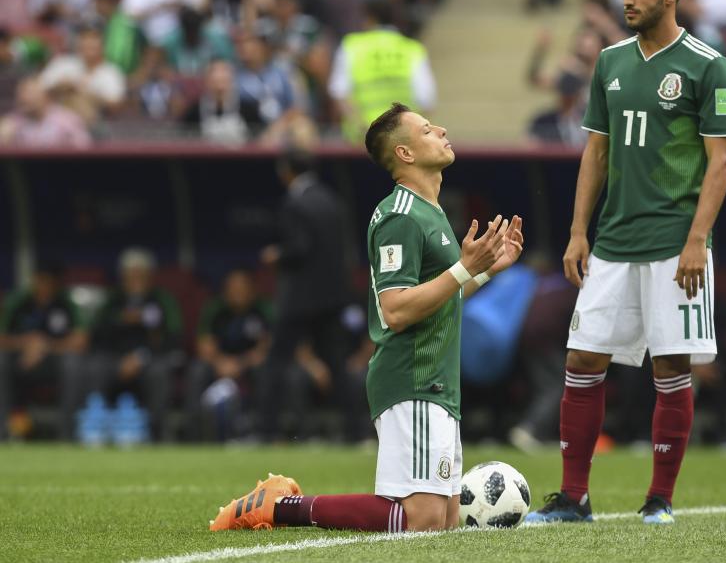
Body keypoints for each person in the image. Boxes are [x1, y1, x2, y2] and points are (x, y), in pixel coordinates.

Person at [210, 102, 524, 533]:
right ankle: (281, 507)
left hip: (439, 382)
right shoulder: (399, 215)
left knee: (446, 521)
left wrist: (487, 269)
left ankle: (284, 506)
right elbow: (395, 309)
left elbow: (442, 295)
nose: (443, 130)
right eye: (428, 130)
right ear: (406, 155)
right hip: (412, 376)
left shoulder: (430, 212)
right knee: (424, 520)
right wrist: (464, 269)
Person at [525, 0, 726, 526]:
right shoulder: (610, 62)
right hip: (613, 240)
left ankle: (659, 499)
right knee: (581, 357)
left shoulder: (705, 64)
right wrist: (577, 232)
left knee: (671, 366)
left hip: (676, 243)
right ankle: (574, 499)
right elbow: (595, 151)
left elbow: (720, 162)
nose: (628, 0)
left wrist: (698, 239)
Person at [256, 147, 354, 441]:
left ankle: (264, 431)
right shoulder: (332, 200)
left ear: (286, 171)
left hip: (299, 299)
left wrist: (276, 255)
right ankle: (357, 431)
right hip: (332, 298)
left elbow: (299, 248)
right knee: (337, 365)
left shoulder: (295, 203)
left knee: (275, 362)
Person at [87, 248, 182, 441]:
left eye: (141, 274)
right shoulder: (112, 301)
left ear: (150, 276)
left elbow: (173, 338)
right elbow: (96, 336)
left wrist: (140, 357)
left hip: (150, 359)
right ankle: (95, 429)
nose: (136, 280)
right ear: (123, 277)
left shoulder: (162, 300)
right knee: (94, 367)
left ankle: (156, 433)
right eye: (131, 275)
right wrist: (122, 321)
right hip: (114, 359)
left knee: (160, 371)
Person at [0, 261, 88, 440]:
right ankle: (4, 431)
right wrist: (27, 343)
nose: (44, 285)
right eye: (41, 280)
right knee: (1, 362)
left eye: (49, 281)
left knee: (73, 364)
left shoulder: (66, 303)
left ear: (57, 283)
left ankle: (67, 433)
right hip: (22, 359)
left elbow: (81, 341)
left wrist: (46, 345)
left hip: (54, 360)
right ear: (34, 280)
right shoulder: (18, 301)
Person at [328, 0, 436, 144]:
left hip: (361, 142)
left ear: (369, 18)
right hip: (401, 142)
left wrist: (362, 127)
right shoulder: (412, 49)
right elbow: (426, 99)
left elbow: (339, 92)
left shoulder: (351, 46)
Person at [185, 269, 272, 441]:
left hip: (250, 363)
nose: (237, 292)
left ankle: (264, 432)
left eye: (242, 287)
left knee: (267, 370)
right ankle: (194, 434)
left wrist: (240, 363)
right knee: (197, 369)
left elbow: (268, 346)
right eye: (233, 287)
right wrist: (220, 363)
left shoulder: (264, 309)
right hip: (219, 363)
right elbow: (204, 345)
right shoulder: (215, 309)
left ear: (252, 290)